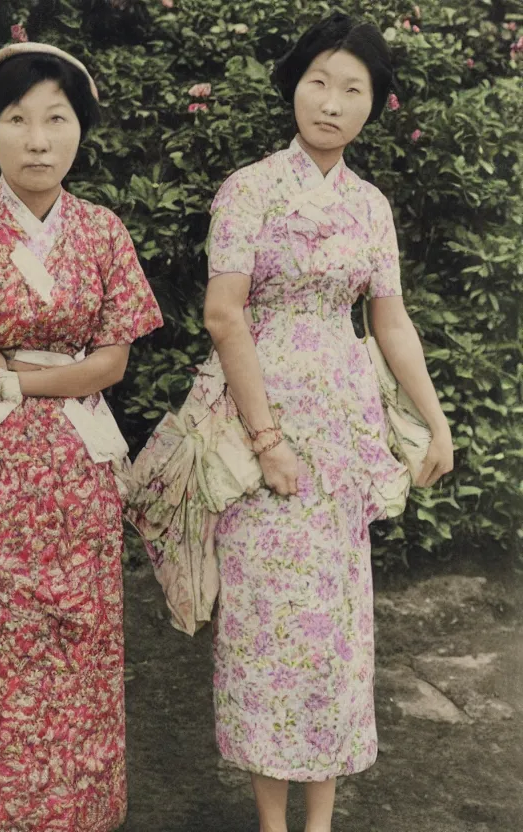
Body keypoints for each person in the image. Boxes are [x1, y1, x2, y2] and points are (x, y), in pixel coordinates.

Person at [0, 43, 162, 832]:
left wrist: (9, 374)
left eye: (56, 118)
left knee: (79, 650)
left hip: (78, 472)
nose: (38, 139)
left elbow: (108, 363)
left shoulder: (104, 231)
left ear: (80, 129)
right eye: (18, 119)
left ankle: (75, 815)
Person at [203, 13, 453, 832]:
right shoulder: (249, 188)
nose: (332, 102)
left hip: (343, 428)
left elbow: (391, 322)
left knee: (337, 623)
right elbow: (223, 315)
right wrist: (267, 439)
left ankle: (322, 821)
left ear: (373, 106)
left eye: (354, 90)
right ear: (294, 86)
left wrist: (435, 419)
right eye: (319, 81)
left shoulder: (370, 206)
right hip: (262, 418)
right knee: (267, 624)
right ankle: (272, 821)